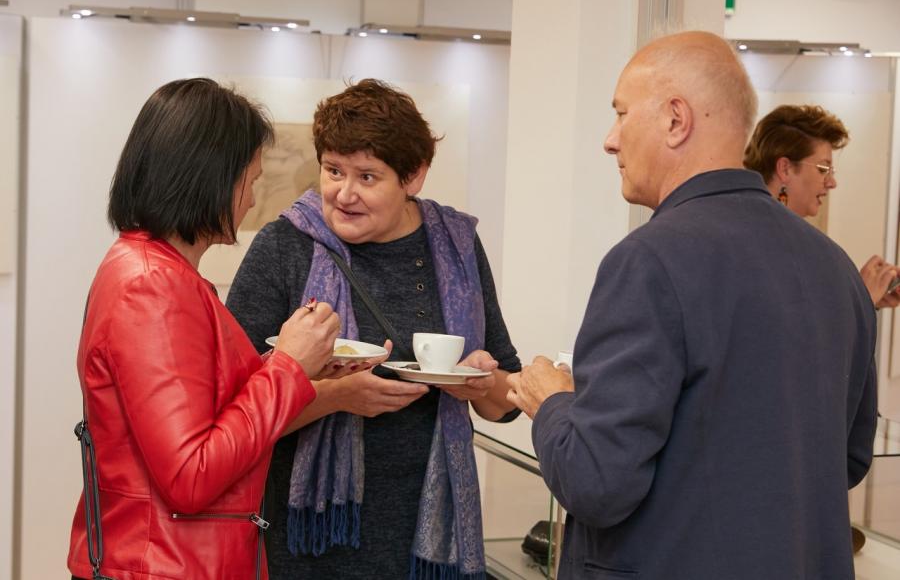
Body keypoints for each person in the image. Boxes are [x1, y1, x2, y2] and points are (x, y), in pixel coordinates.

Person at [507, 31, 878, 580]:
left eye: (622, 114)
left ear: (676, 120)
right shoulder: (837, 267)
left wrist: (552, 403)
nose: (610, 140)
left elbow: (597, 482)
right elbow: (847, 458)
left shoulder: (648, 260)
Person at [226, 78, 521, 579]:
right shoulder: (285, 246)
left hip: (428, 539)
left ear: (414, 175)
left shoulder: (457, 248)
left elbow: (502, 403)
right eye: (333, 170)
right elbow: (235, 412)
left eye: (367, 177)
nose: (344, 194)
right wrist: (335, 397)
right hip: (311, 542)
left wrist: (479, 381)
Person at [67, 78, 357, 580]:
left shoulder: (155, 271)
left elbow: (200, 405)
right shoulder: (153, 285)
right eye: (250, 180)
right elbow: (191, 474)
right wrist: (287, 368)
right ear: (212, 178)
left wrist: (298, 366)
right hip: (166, 565)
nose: (251, 199)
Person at [744, 103, 900, 309]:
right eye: (823, 169)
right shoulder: (756, 241)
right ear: (785, 168)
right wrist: (861, 300)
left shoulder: (786, 241)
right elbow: (788, 324)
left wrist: (866, 302)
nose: (831, 182)